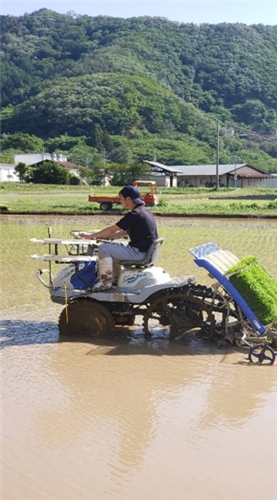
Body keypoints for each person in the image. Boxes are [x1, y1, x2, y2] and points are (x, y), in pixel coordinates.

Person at [81, 185, 158, 290]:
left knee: (103, 249)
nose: (120, 201)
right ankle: (115, 280)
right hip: (144, 251)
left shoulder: (134, 215)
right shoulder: (145, 211)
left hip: (139, 253)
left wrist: (90, 236)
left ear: (128, 199)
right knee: (111, 246)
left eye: (121, 198)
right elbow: (126, 232)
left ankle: (105, 283)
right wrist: (110, 237)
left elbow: (112, 229)